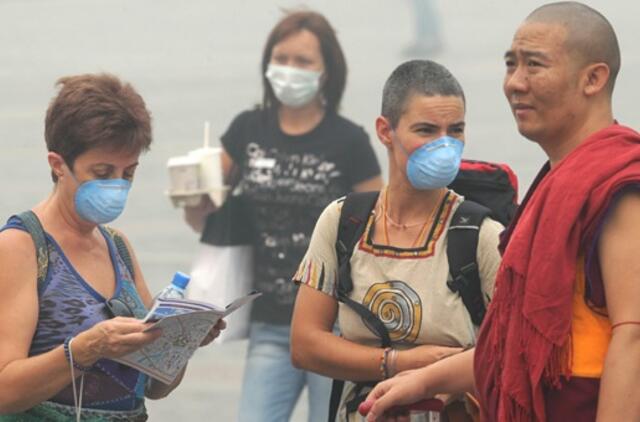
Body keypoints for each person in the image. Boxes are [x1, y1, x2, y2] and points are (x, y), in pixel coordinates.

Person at [363, 2, 640, 421]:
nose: (515, 83)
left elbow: (633, 336)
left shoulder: (619, 186)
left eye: (534, 65)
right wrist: (423, 380)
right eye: (511, 65)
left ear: (593, 78)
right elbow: (514, 347)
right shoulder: (557, 181)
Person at [184, 10, 382, 422]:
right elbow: (204, 218)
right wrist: (190, 194)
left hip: (338, 325)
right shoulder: (247, 130)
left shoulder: (350, 141)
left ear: (326, 70)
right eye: (282, 58)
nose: (290, 69)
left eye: (303, 61)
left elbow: (379, 228)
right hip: (271, 322)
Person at [0, 73, 224, 421]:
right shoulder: (22, 246)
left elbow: (154, 387)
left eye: (128, 173)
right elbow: (4, 390)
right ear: (58, 165)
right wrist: (85, 349)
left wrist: (182, 342)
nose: (117, 186)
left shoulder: (117, 247)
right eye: (102, 172)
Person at [289, 59, 504, 421]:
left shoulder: (481, 236)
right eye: (426, 130)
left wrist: (434, 378)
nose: (445, 145)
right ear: (385, 131)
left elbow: (510, 353)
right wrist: (400, 362)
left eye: (456, 130)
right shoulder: (343, 222)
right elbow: (305, 344)